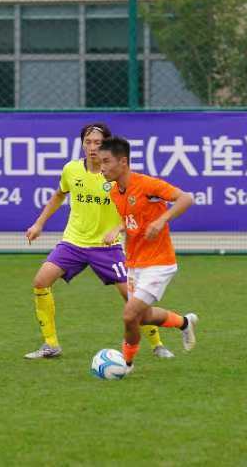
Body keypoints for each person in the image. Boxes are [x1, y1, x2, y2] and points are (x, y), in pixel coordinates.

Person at [24, 123, 175, 360]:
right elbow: (59, 195)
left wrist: (118, 228)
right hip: (73, 243)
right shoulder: (71, 169)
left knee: (133, 298)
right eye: (88, 142)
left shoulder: (116, 176)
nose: (92, 147)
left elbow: (136, 210)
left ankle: (157, 344)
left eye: (97, 143)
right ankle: (51, 344)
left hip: (108, 248)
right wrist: (39, 223)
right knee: (40, 282)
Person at [98, 137, 198, 375]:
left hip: (159, 262)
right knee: (142, 317)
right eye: (100, 162)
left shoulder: (147, 184)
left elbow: (186, 198)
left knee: (129, 314)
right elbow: (133, 217)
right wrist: (119, 227)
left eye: (106, 161)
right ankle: (185, 323)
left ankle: (126, 365)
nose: (101, 167)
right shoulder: (115, 191)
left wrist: (162, 219)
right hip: (134, 262)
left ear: (123, 162)